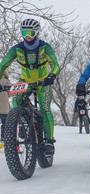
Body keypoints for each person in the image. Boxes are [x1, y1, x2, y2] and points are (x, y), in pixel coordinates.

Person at [0, 18, 60, 156]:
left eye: (30, 32)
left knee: (45, 109)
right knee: (16, 101)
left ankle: (50, 141)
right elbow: (3, 65)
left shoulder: (45, 47)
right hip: (25, 80)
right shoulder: (17, 49)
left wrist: (52, 75)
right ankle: (21, 122)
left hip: (43, 81)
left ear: (36, 33)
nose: (27, 36)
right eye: (24, 32)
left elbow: (55, 64)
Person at [0, 72, 11, 148]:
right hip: (4, 106)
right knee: (5, 123)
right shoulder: (7, 81)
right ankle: (3, 140)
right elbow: (10, 93)